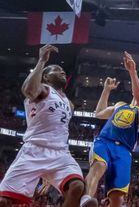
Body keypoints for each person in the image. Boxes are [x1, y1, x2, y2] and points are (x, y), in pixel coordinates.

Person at [0, 45, 97, 207]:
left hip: (60, 153)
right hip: (34, 150)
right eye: (56, 70)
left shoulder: (69, 103)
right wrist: (42, 61)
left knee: (77, 186)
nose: (62, 72)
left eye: (62, 70)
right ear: (45, 77)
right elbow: (28, 89)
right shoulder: (43, 90)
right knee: (3, 201)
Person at [81, 52, 139, 207]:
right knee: (98, 167)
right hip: (105, 141)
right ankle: (85, 201)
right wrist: (106, 90)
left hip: (124, 150)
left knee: (117, 197)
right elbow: (99, 113)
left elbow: (138, 96)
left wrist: (133, 72)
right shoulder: (120, 105)